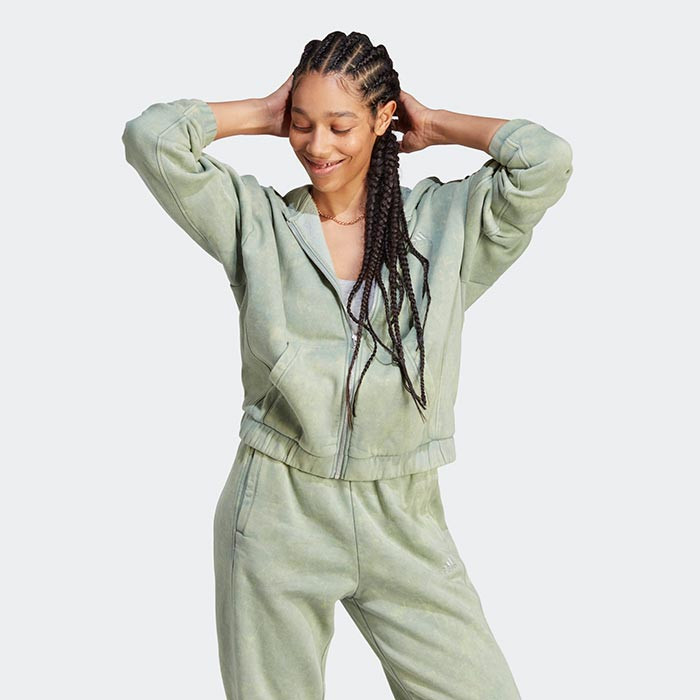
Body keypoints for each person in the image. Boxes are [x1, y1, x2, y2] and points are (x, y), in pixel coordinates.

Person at [122, 30, 573, 700]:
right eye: (302, 125)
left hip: (404, 512)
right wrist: (263, 112)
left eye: (340, 126)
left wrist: (436, 124)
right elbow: (152, 139)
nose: (317, 146)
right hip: (279, 509)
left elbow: (546, 161)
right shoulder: (257, 222)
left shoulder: (446, 225)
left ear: (384, 117)